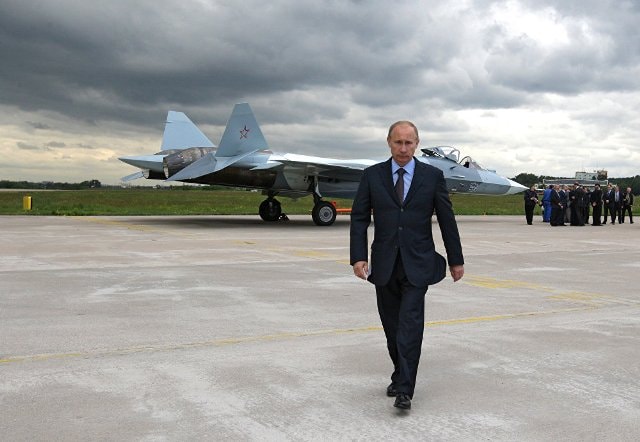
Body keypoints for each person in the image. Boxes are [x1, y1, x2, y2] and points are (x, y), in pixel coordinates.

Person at [350, 121, 464, 411]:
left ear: (417, 143)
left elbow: (446, 219)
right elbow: (359, 218)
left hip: (419, 263)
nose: (403, 148)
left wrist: (456, 259)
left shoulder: (432, 176)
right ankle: (400, 372)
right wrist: (358, 256)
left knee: (410, 326)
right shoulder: (372, 176)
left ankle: (405, 389)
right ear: (389, 142)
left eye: (409, 143)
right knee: (391, 327)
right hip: (385, 264)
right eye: (398, 142)